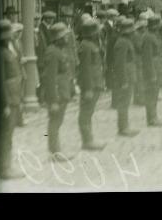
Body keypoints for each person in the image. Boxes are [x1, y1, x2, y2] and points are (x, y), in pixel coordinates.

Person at [0, 20, 25, 179]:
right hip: (8, 99)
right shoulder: (0, 52)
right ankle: (5, 169)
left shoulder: (8, 50)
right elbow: (0, 79)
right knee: (5, 134)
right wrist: (4, 103)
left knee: (8, 133)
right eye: (8, 36)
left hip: (14, 96)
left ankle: (3, 166)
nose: (10, 38)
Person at [42, 22, 74, 161]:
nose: (67, 38)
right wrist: (53, 100)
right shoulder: (53, 52)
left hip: (62, 92)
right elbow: (50, 78)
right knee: (55, 122)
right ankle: (55, 152)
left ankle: (55, 150)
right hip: (57, 94)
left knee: (57, 122)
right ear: (58, 38)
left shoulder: (58, 50)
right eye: (64, 36)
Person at [77, 19, 107, 150]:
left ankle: (89, 139)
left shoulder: (91, 44)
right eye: (96, 32)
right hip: (90, 85)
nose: (98, 34)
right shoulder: (85, 46)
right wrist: (88, 88)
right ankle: (87, 140)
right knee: (86, 113)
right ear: (92, 33)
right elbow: (85, 69)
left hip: (96, 83)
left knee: (89, 112)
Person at [112, 18, 140, 137]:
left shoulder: (126, 41)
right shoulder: (122, 43)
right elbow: (120, 63)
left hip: (129, 75)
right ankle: (123, 128)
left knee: (126, 101)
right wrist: (123, 80)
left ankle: (125, 126)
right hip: (125, 77)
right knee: (123, 102)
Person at [142, 15, 162, 127]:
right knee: (151, 94)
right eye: (157, 26)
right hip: (152, 68)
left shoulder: (155, 36)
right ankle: (151, 118)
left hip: (158, 67)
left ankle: (154, 116)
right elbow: (147, 57)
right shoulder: (148, 37)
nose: (159, 28)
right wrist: (151, 73)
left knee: (155, 93)